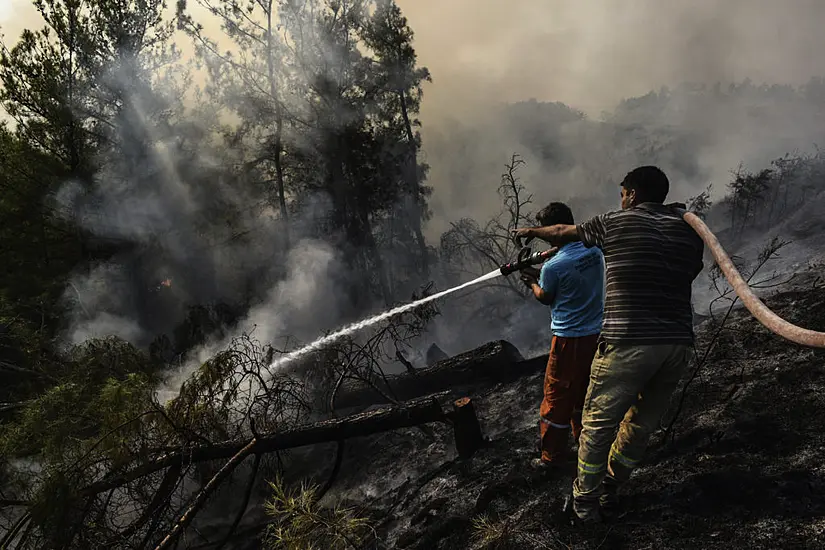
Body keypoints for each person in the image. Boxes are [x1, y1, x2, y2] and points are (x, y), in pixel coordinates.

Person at [511, 166, 704, 522]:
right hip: (677, 344)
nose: (620, 200)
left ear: (631, 194)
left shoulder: (613, 224)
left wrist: (527, 231)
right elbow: (691, 271)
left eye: (622, 194)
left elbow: (558, 233)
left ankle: (585, 504)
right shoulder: (688, 230)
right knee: (640, 426)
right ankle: (612, 487)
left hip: (628, 340)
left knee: (596, 425)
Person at [517, 202, 604, 469]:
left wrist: (530, 280)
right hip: (596, 333)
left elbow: (545, 296)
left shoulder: (554, 268)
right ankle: (584, 441)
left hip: (568, 339)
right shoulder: (594, 248)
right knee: (584, 391)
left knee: (556, 395)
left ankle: (551, 456)